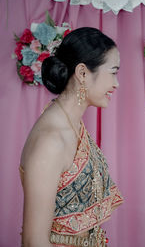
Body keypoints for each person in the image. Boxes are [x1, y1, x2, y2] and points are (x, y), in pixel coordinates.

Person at [19, 27, 123, 247]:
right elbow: (33, 241)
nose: (116, 83)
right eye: (113, 72)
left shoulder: (70, 123)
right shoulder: (51, 140)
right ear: (83, 73)